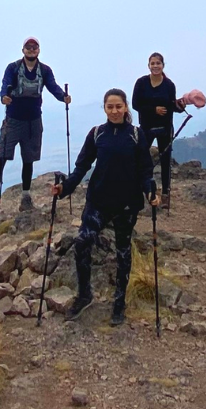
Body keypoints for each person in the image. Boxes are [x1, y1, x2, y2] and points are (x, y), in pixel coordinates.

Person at [53, 88, 158, 326]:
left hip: (127, 204)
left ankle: (119, 303)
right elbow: (81, 167)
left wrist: (151, 191)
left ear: (125, 108)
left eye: (118, 106)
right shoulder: (97, 134)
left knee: (123, 252)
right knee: (82, 242)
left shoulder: (136, 134)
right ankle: (84, 294)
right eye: (110, 107)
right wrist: (64, 189)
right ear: (104, 109)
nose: (114, 111)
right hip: (98, 202)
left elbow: (145, 170)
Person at [0, 37, 70, 219]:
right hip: (14, 119)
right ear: (23, 49)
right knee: (1, 158)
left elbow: (52, 87)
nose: (31, 49)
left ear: (38, 50)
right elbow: (5, 86)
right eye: (28, 47)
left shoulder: (45, 70)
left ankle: (25, 197)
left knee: (28, 160)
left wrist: (63, 96)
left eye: (34, 47)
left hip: (33, 120)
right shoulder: (13, 68)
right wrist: (3, 98)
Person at [131, 53, 185, 214]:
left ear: (163, 65)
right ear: (148, 65)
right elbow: (135, 104)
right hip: (146, 126)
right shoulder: (141, 83)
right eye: (153, 63)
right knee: (140, 158)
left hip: (165, 127)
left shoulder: (169, 85)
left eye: (158, 63)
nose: (155, 66)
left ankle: (166, 194)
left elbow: (171, 105)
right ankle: (138, 190)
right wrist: (153, 110)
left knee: (166, 160)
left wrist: (181, 106)